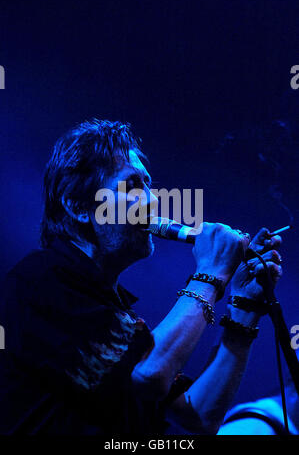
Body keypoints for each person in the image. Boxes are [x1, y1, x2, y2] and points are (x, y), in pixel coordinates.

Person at [0, 119, 283, 435]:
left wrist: (243, 309)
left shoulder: (111, 308)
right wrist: (211, 272)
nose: (153, 200)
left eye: (148, 185)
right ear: (79, 205)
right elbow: (149, 376)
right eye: (133, 185)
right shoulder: (40, 281)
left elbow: (199, 414)